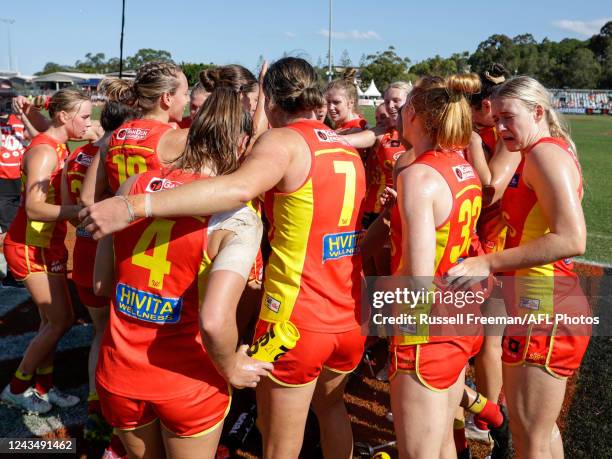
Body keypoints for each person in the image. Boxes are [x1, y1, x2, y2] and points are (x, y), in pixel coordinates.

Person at [81, 57, 366, 459]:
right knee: (331, 407)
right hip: (346, 308)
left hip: (291, 317)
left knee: (277, 438)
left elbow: (101, 283)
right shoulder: (344, 147)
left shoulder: (133, 181)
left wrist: (132, 205)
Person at [93, 86, 271, 459]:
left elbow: (101, 283)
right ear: (241, 144)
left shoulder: (133, 188)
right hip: (188, 381)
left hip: (119, 372)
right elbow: (213, 321)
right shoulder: (237, 218)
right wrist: (232, 367)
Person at [447, 76, 590, 459]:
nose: (501, 128)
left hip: (546, 307)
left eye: (509, 118)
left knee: (529, 437)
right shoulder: (536, 153)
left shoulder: (545, 155)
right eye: (497, 120)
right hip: (535, 304)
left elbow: (572, 239)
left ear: (538, 112)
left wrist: (488, 261)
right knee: (537, 433)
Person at [388, 75, 486, 458]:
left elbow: (418, 278)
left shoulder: (418, 176)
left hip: (425, 327)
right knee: (444, 439)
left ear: (414, 113)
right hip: (460, 316)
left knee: (418, 451)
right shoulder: (462, 167)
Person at [1, 89, 91, 413]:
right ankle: (17, 387)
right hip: (29, 245)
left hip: (47, 244)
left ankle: (44, 387)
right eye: (84, 116)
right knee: (61, 320)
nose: (89, 123)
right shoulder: (44, 152)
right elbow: (36, 209)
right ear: (65, 117)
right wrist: (80, 210)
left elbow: (45, 123)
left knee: (50, 321)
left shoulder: (56, 142)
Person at [61, 100, 137, 449]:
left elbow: (72, 210)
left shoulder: (77, 157)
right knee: (121, 340)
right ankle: (119, 422)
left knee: (99, 333)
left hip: (84, 252)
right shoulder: (116, 158)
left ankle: (96, 406)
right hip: (114, 255)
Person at [103, 62, 190, 193]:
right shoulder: (181, 139)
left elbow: (87, 197)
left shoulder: (112, 138)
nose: (187, 100)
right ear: (167, 98)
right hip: (153, 212)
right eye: (184, 94)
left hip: (121, 212)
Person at [0, 80, 28, 280]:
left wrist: (25, 114)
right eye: (2, 96)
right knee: (10, 228)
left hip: (21, 181)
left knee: (17, 225)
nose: (6, 101)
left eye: (9, 96)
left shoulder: (19, 120)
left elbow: (38, 135)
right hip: (2, 183)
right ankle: (12, 273)